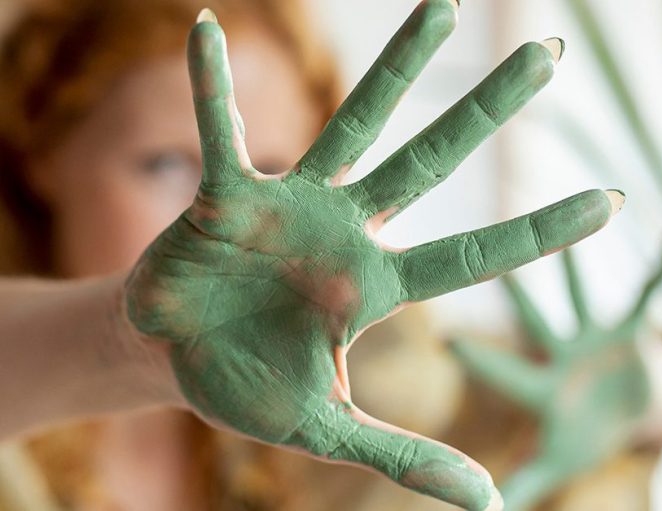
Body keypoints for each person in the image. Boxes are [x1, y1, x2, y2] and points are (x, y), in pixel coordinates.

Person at [0, 0, 625, 509]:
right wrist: (122, 337)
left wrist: (652, 388)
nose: (217, 220)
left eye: (271, 171)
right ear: (44, 154)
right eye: (163, 163)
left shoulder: (345, 356)